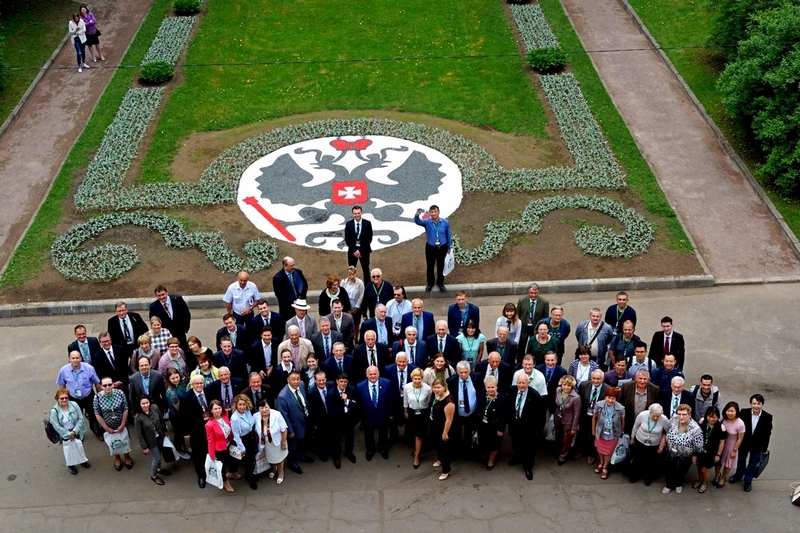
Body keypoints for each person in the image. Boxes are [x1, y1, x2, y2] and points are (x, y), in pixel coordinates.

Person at [729, 394, 773, 492]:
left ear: (762, 404)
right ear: (750, 404)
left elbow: (767, 434)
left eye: (758, 404)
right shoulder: (744, 412)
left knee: (752, 463)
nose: (756, 406)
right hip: (744, 443)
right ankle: (739, 474)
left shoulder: (767, 417)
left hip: (757, 445)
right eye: (754, 403)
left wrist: (764, 449)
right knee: (740, 460)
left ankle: (748, 480)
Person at [56, 351, 102, 439]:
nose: (75, 360)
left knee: (93, 415)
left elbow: (97, 383)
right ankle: (78, 434)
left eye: (77, 358)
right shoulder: (64, 370)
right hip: (74, 398)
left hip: (88, 396)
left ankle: (97, 431)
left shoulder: (89, 368)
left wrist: (100, 396)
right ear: (69, 359)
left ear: (80, 358)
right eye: (73, 358)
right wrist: (62, 399)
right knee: (75, 417)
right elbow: (62, 385)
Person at [507, 374, 544, 480]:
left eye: (524, 383)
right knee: (515, 444)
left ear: (528, 383)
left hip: (528, 427)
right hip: (515, 425)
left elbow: (540, 415)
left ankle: (528, 467)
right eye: (519, 383)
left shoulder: (535, 395)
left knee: (528, 448)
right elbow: (508, 407)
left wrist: (537, 430)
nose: (521, 385)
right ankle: (517, 457)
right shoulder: (511, 391)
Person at [275, 371, 312, 474]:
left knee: (303, 440)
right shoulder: (282, 396)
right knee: (293, 446)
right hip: (293, 425)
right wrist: (290, 431)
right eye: (293, 379)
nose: (296, 382)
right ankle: (292, 462)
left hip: (304, 420)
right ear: (288, 380)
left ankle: (301, 455)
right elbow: (284, 416)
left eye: (298, 379)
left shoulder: (302, 385)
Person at [93, 376, 133, 471]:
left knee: (124, 440)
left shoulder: (120, 393)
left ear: (113, 384)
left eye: (109, 384)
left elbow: (125, 409)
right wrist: (106, 428)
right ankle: (117, 458)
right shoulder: (97, 397)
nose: (107, 387)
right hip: (108, 425)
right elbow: (97, 414)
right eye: (105, 385)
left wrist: (122, 424)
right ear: (101, 386)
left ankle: (127, 456)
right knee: (113, 442)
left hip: (121, 423)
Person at [663, 404, 703, 494]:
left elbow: (699, 445)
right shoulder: (673, 420)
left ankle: (679, 484)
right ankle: (669, 485)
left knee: (681, 470)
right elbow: (666, 429)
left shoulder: (695, 428)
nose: (681, 417)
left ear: (689, 415)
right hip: (670, 451)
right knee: (668, 469)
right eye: (679, 414)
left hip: (685, 455)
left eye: (684, 414)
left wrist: (695, 455)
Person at [50, 388, 91, 475]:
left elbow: (80, 418)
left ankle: (82, 461)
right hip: (65, 434)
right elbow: (56, 426)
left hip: (77, 431)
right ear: (57, 398)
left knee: (79, 446)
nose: (64, 400)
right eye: (62, 398)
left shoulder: (74, 404)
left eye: (66, 398)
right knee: (69, 450)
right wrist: (68, 434)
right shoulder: (54, 411)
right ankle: (71, 465)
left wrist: (74, 431)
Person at [446, 361, 483, 457]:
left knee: (469, 432)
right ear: (457, 371)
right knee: (456, 433)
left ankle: (467, 450)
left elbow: (480, 393)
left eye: (466, 372)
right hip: (457, 414)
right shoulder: (451, 381)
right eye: (461, 372)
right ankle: (457, 451)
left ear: (469, 371)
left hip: (472, 413)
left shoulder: (477, 377)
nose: (463, 374)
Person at [358, 366, 393, 460]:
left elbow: (391, 399)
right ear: (366, 375)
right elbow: (360, 403)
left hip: (383, 414)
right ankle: (370, 449)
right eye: (370, 374)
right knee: (368, 433)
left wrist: (391, 413)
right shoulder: (360, 386)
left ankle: (382, 448)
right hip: (368, 415)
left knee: (383, 432)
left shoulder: (387, 383)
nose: (373, 376)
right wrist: (361, 418)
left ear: (378, 374)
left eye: (375, 374)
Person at [182, 375, 211, 488]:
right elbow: (183, 416)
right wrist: (186, 432)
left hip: (210, 427)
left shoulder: (209, 392)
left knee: (210, 450)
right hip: (196, 430)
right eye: (196, 383)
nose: (199, 385)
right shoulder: (186, 397)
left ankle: (212, 472)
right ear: (192, 385)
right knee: (198, 454)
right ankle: (201, 475)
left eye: (201, 383)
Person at [134, 396, 171, 485]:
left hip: (160, 436)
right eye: (143, 403)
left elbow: (161, 420)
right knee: (156, 458)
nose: (146, 405)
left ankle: (159, 469)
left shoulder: (154, 408)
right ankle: (153, 476)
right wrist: (144, 447)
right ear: (139, 404)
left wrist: (165, 431)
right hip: (150, 441)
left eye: (147, 402)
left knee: (160, 453)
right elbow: (139, 434)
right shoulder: (138, 417)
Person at [629, 403, 669, 485]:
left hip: (654, 444)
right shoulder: (642, 415)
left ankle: (647, 476)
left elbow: (667, 431)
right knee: (638, 458)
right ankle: (636, 474)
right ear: (650, 412)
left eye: (658, 416)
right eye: (654, 416)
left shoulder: (664, 419)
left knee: (650, 461)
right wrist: (632, 437)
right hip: (640, 440)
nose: (656, 418)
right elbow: (635, 426)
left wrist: (663, 442)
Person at [414, 205, 451, 292]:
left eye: (435, 212)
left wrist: (449, 247)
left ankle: (440, 283)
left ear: (438, 212)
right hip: (430, 248)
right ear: (430, 213)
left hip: (442, 247)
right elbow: (418, 222)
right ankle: (430, 283)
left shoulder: (445, 222)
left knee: (441, 266)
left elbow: (448, 235)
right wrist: (417, 215)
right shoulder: (427, 222)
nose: (434, 214)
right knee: (430, 266)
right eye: (432, 212)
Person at [591, 386, 625, 480]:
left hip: (613, 433)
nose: (610, 400)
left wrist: (622, 431)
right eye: (608, 398)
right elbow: (594, 417)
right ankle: (601, 462)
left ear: (616, 399)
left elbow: (622, 420)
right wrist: (593, 430)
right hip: (601, 431)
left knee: (608, 452)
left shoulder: (620, 408)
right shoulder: (599, 405)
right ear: (605, 397)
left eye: (613, 398)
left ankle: (605, 466)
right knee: (600, 449)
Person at [149, 284, 191, 354]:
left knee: (183, 352)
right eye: (159, 295)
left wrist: (185, 329)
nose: (161, 297)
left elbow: (186, 314)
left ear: (167, 292)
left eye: (163, 294)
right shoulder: (153, 307)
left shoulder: (178, 299)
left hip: (180, 332)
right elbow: (153, 321)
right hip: (165, 336)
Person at [205, 399, 236, 493]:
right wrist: (212, 454)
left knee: (234, 459)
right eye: (215, 409)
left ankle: (231, 473)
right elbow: (210, 440)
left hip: (229, 442)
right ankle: (225, 482)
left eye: (219, 408)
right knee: (221, 466)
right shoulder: (209, 425)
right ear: (211, 410)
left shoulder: (225, 414)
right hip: (219, 447)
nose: (218, 410)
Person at [577, 370, 608, 464]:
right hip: (584, 414)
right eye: (593, 378)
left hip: (598, 417)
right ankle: (580, 450)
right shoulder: (583, 385)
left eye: (598, 379)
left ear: (602, 379)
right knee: (582, 433)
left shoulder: (607, 389)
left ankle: (591, 453)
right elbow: (580, 399)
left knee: (594, 435)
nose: (595, 381)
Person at [254, 398, 289, 484]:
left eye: (266, 407)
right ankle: (273, 468)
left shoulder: (277, 414)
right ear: (258, 408)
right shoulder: (255, 416)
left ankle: (280, 473)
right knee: (270, 458)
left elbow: (284, 429)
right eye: (261, 408)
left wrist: (283, 442)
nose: (264, 410)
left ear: (269, 406)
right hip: (265, 443)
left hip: (277, 441)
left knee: (279, 459)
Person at [328, 373, 359, 466]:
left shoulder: (352, 389)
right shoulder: (331, 393)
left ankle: (349, 452)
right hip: (337, 419)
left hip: (349, 418)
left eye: (345, 381)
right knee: (336, 438)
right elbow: (331, 409)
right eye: (341, 381)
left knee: (350, 436)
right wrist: (343, 408)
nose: (343, 383)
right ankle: (336, 457)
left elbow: (356, 403)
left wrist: (347, 401)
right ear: (337, 381)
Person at [404, 368, 432, 469]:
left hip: (423, 413)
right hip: (412, 412)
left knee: (419, 435)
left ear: (422, 378)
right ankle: (417, 449)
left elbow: (428, 401)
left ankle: (417, 457)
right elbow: (405, 401)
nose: (417, 381)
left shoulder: (427, 388)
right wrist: (406, 412)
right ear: (412, 378)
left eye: (419, 379)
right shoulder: (407, 387)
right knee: (414, 433)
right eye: (415, 379)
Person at [477, 375, 506, 471]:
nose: (490, 389)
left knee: (495, 444)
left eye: (492, 387)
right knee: (483, 442)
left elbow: (504, 416)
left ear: (496, 387)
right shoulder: (482, 394)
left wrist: (501, 429)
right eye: (488, 387)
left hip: (495, 426)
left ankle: (491, 459)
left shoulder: (501, 399)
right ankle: (485, 453)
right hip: (483, 425)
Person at [230, 395, 258, 490]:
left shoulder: (247, 411)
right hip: (243, 440)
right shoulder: (235, 418)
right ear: (236, 405)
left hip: (251, 436)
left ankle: (248, 474)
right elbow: (236, 435)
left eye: (244, 404)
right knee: (249, 461)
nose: (242, 407)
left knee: (252, 459)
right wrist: (242, 448)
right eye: (240, 405)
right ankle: (250, 478)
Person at [618, 369, 660, 434]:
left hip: (646, 425)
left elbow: (657, 407)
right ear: (636, 378)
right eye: (640, 378)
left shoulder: (655, 390)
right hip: (628, 424)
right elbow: (620, 404)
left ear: (648, 380)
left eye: (645, 379)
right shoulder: (626, 387)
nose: (642, 381)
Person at [429, 378, 455, 480]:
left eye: (438, 387)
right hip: (435, 425)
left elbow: (449, 420)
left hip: (444, 428)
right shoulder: (435, 395)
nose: (436, 390)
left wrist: (445, 433)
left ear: (444, 387)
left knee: (445, 449)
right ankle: (439, 459)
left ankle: (446, 470)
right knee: (438, 445)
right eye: (434, 387)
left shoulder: (449, 401)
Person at [695, 406, 726, 493]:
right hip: (701, 449)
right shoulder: (702, 421)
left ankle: (705, 483)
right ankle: (700, 480)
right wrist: (695, 453)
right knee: (699, 467)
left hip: (712, 452)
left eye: (714, 417)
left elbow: (722, 443)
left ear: (718, 417)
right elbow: (696, 436)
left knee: (704, 469)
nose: (711, 419)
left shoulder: (721, 427)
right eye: (709, 416)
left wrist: (718, 455)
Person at [553, 375, 581, 465]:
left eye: (569, 385)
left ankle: (563, 455)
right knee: (558, 436)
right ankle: (558, 449)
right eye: (564, 385)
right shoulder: (558, 390)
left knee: (566, 439)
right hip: (558, 417)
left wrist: (574, 428)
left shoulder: (576, 397)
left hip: (568, 421)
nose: (566, 387)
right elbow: (557, 404)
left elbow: (577, 414)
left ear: (572, 386)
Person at [164, 368, 191, 459]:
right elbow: (178, 408)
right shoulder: (171, 393)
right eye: (173, 378)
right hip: (177, 415)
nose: (176, 380)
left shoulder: (179, 385)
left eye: (177, 377)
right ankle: (179, 450)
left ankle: (184, 446)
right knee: (179, 433)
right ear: (169, 379)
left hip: (182, 412)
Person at [516, 283, 549, 357]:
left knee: (534, 346)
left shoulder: (544, 302)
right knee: (521, 347)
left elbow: (545, 318)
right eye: (531, 293)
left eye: (535, 293)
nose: (533, 295)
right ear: (528, 292)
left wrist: (540, 329)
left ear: (538, 292)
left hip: (535, 329)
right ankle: (520, 361)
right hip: (523, 328)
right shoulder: (522, 300)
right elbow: (518, 315)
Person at [307, 371, 334, 464]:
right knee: (321, 437)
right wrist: (314, 423)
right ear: (315, 381)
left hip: (332, 417)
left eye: (323, 380)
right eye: (319, 380)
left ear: (326, 379)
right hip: (320, 419)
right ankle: (322, 453)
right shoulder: (311, 393)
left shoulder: (331, 386)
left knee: (332, 435)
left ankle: (331, 449)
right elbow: (312, 410)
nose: (322, 382)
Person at [718, 401, 745, 489]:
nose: (730, 413)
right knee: (718, 462)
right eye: (728, 411)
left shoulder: (740, 424)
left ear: (736, 412)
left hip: (731, 446)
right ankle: (717, 475)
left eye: (732, 411)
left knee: (728, 464)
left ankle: (723, 477)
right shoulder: (723, 419)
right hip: (721, 444)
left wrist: (734, 450)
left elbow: (740, 438)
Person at [344, 205, 373, 280]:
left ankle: (367, 286)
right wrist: (354, 250)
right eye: (355, 213)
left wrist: (360, 250)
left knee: (366, 269)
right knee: (351, 270)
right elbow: (347, 239)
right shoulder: (348, 224)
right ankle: (351, 284)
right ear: (352, 214)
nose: (357, 215)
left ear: (361, 213)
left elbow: (369, 239)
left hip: (364, 251)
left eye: (358, 213)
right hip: (352, 251)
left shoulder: (367, 223)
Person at [341, 266, 365, 339]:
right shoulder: (343, 282)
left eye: (353, 274)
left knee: (356, 323)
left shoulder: (360, 283)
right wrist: (346, 308)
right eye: (350, 274)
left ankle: (356, 338)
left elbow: (361, 296)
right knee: (346, 323)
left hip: (356, 305)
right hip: (346, 306)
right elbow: (341, 294)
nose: (352, 276)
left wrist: (356, 307)